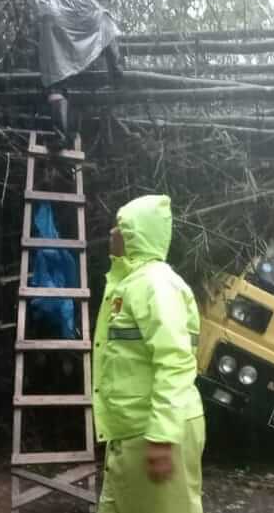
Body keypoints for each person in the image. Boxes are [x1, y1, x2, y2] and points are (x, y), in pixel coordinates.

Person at [93, 194, 205, 513]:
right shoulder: (130, 283)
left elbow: (175, 361)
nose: (112, 233)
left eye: (120, 226)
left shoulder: (156, 285)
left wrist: (161, 435)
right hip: (133, 430)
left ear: (136, 234)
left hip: (153, 429)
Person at [32, 0, 134, 146]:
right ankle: (117, 72)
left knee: (55, 81)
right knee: (104, 20)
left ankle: (60, 135)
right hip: (79, 14)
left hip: (50, 19)